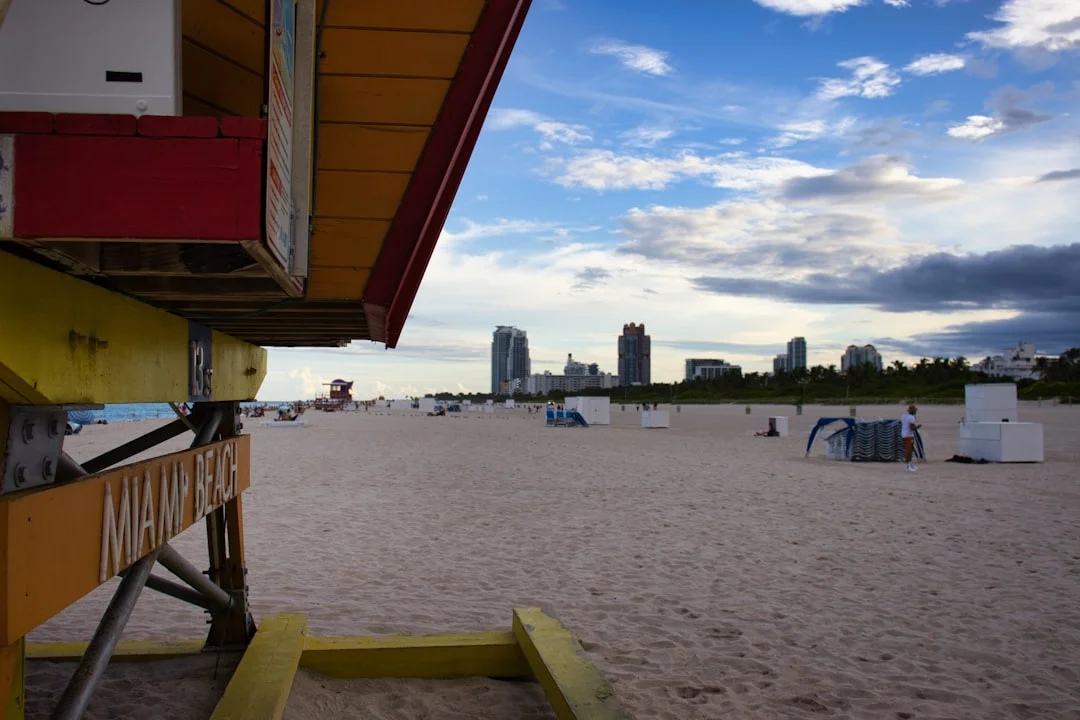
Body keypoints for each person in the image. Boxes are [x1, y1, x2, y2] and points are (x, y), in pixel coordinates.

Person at [901, 404, 920, 472]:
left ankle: (910, 464)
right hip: (909, 435)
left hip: (904, 434)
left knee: (909, 449)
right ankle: (908, 466)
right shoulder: (911, 418)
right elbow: (911, 427)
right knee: (909, 450)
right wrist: (917, 427)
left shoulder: (903, 416)